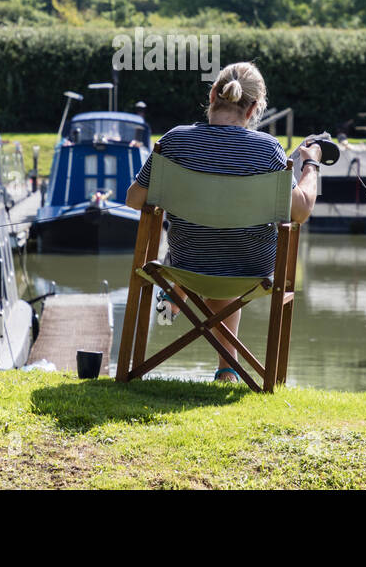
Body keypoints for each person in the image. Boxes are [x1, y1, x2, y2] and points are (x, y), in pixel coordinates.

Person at [124, 61, 321, 383]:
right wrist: (310, 166)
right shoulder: (267, 149)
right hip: (249, 269)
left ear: (213, 93)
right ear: (254, 108)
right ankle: (226, 369)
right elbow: (300, 212)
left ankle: (179, 296)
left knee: (207, 244)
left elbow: (134, 199)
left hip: (187, 262)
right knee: (231, 246)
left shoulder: (174, 141)